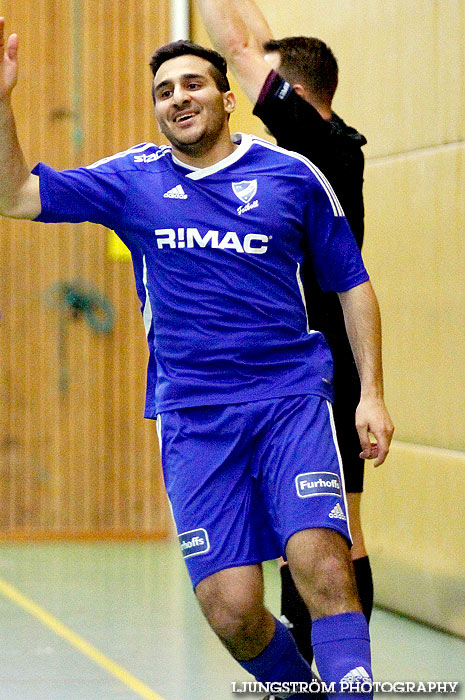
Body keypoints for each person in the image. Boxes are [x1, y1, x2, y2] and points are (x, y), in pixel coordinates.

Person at [0, 17, 393, 700]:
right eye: (163, 90)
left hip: (288, 401)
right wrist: (0, 102)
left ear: (226, 96)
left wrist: (371, 393)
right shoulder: (132, 180)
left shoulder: (289, 174)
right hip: (193, 419)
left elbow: (351, 283)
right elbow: (13, 197)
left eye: (192, 83)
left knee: (319, 565)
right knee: (230, 609)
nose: (177, 97)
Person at [194, 0, 374, 665]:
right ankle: (332, 663)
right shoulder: (331, 138)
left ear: (293, 95)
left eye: (266, 90)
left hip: (315, 364)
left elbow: (241, 48)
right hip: (312, 361)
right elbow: (261, 43)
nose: (251, 102)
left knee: (332, 537)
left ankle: (333, 664)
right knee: (315, 531)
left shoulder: (312, 144)